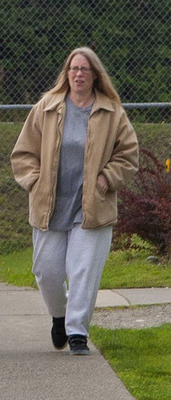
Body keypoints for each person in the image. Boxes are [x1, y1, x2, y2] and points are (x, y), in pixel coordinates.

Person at [11, 47, 139, 356]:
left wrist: (106, 179)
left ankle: (78, 331)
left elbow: (129, 155)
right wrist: (34, 180)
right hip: (50, 204)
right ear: (66, 74)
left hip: (92, 204)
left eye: (84, 69)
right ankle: (60, 315)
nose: (78, 74)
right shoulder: (47, 107)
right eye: (73, 69)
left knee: (82, 269)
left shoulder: (112, 111)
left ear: (95, 75)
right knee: (46, 270)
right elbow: (24, 153)